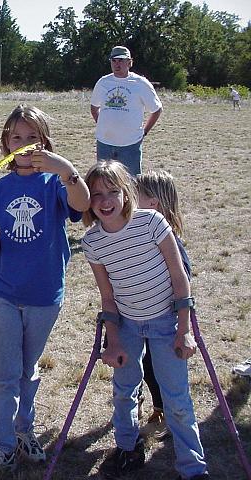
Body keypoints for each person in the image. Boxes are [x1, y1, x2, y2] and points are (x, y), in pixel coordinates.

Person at [0, 104, 90, 478]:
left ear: (45, 143)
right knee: (5, 374)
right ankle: (2, 445)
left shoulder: (55, 184)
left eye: (32, 138)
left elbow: (81, 205)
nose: (24, 145)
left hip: (45, 293)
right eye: (16, 138)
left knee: (28, 369)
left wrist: (64, 168)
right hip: (3, 292)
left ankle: (25, 432)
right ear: (5, 143)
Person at [81, 160, 208, 480]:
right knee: (124, 391)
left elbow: (180, 279)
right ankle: (127, 447)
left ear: (126, 193)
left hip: (166, 321)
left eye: (113, 192)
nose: (105, 201)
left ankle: (193, 467)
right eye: (96, 194)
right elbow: (107, 297)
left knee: (176, 397)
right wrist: (114, 338)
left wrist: (184, 329)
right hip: (127, 324)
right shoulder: (92, 242)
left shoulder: (151, 222)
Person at [135, 169, 192, 441]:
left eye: (135, 195)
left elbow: (183, 279)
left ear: (153, 203)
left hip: (164, 322)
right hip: (140, 320)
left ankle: (168, 413)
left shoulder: (170, 242)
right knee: (145, 366)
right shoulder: (141, 235)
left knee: (160, 370)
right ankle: (157, 407)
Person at [90, 45, 163, 176]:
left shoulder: (140, 83)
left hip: (130, 145)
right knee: (105, 182)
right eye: (114, 60)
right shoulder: (103, 82)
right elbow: (94, 108)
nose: (117, 64)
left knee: (132, 183)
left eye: (121, 60)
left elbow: (156, 109)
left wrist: (144, 132)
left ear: (130, 62)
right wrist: (104, 125)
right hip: (105, 144)